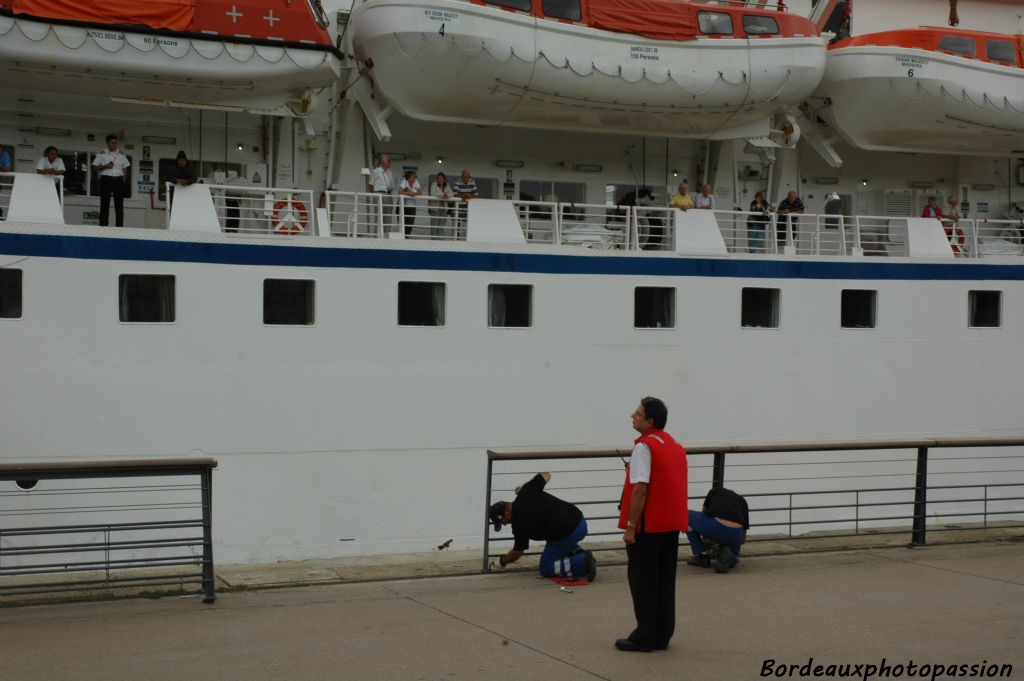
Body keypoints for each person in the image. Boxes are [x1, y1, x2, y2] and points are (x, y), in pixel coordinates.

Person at [616, 397, 688, 653]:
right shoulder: (673, 444)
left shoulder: (644, 447)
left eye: (637, 414)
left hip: (648, 526)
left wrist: (630, 526)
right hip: (670, 525)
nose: (632, 416)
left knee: (642, 580)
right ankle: (662, 634)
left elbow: (640, 489)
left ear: (649, 421)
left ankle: (645, 636)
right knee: (665, 580)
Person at [488, 472, 597, 581]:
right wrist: (527, 487)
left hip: (567, 534)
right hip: (580, 521)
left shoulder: (518, 525)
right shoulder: (526, 490)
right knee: (555, 541)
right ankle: (582, 555)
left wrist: (501, 561)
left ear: (506, 514)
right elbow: (546, 475)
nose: (505, 524)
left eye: (503, 522)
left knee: (546, 568)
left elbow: (517, 553)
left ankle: (582, 563)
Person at [685, 486, 749, 574]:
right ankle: (731, 557)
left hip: (715, 527)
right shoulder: (742, 500)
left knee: (685, 515)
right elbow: (743, 538)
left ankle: (701, 556)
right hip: (736, 533)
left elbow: (704, 513)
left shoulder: (714, 491)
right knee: (733, 553)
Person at [92, 134, 131, 227]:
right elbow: (94, 168)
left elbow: (125, 168)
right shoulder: (101, 154)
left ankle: (119, 227)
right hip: (106, 179)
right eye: (112, 143)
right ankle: (103, 226)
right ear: (107, 143)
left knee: (119, 205)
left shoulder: (121, 154)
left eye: (115, 143)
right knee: (104, 204)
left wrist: (124, 178)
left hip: (118, 180)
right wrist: (105, 166)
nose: (114, 145)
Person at [368, 154, 395, 232]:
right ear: (382, 161)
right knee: (379, 217)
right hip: (379, 194)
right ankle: (378, 236)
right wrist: (375, 195)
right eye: (388, 161)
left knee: (388, 217)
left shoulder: (390, 172)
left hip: (389, 194)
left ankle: (387, 236)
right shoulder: (376, 171)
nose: (390, 162)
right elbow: (370, 185)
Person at [427, 172, 455, 239]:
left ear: (444, 179)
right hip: (435, 209)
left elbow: (452, 194)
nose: (439, 180)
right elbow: (433, 193)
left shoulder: (447, 185)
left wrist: (446, 195)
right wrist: (443, 195)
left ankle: (440, 242)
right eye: (438, 178)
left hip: (444, 209)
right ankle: (434, 242)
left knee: (441, 226)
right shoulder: (434, 184)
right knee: (434, 226)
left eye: (441, 178)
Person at [452, 169, 478, 235]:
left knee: (469, 221)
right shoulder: (457, 183)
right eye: (464, 177)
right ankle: (456, 235)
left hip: (469, 206)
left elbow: (476, 196)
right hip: (459, 205)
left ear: (470, 177)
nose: (466, 178)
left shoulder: (472, 183)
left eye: (467, 177)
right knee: (458, 222)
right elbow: (455, 194)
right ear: (461, 177)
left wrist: (469, 196)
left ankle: (469, 235)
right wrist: (464, 195)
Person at [398, 169, 422, 237]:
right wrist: (409, 193)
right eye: (414, 176)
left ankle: (407, 236)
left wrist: (413, 193)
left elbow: (420, 192)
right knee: (404, 222)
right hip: (404, 206)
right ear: (409, 176)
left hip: (412, 206)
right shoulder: (404, 181)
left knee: (410, 223)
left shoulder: (416, 182)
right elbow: (400, 191)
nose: (415, 178)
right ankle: (403, 236)